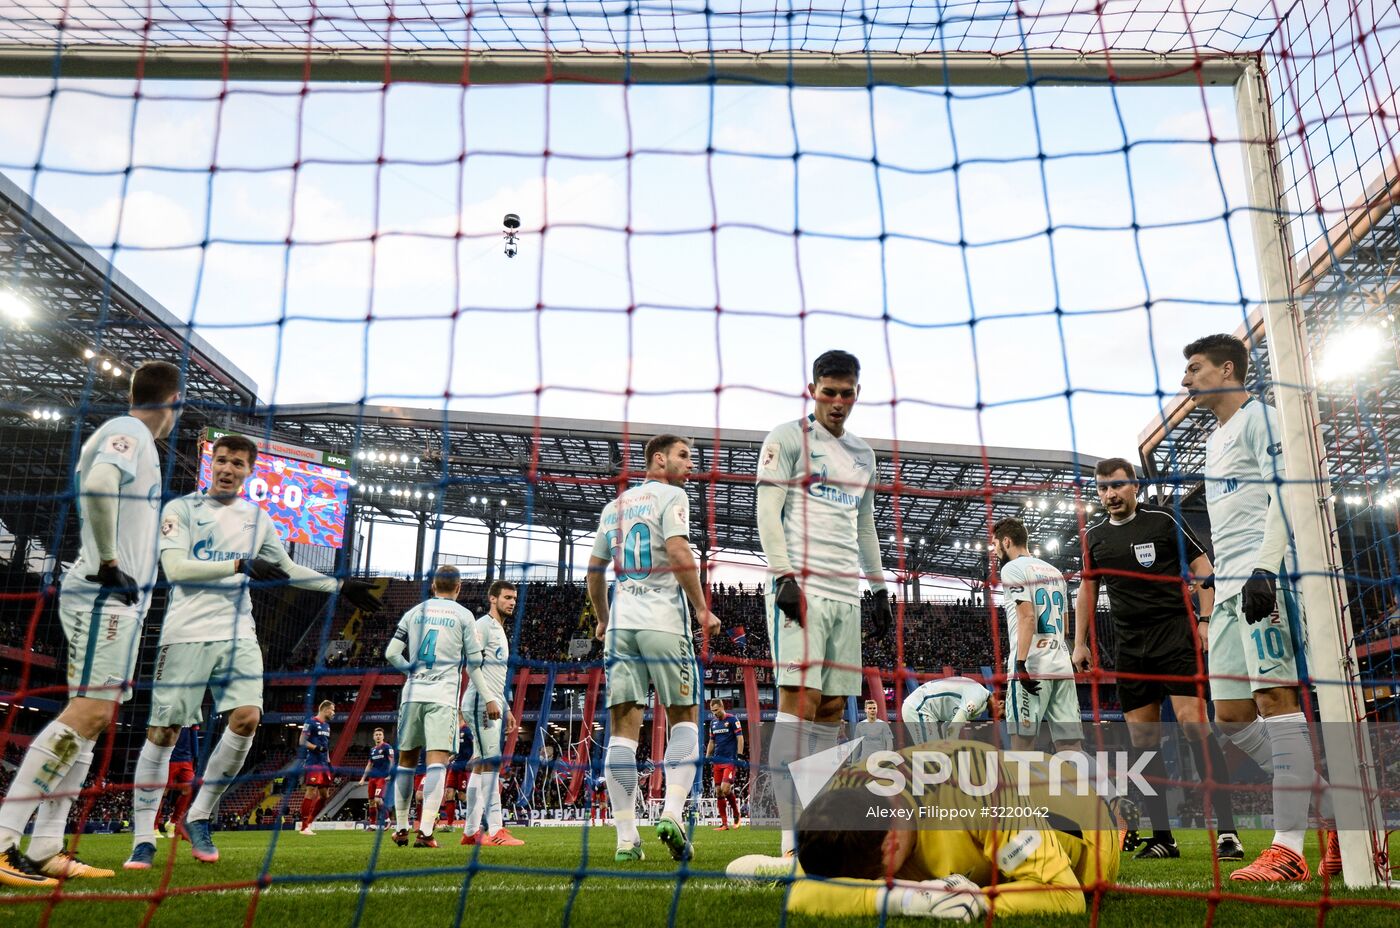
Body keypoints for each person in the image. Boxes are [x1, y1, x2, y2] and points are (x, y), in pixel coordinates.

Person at [123, 432, 382, 870]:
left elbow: (285, 567)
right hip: (185, 633)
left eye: (237, 463)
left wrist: (339, 585)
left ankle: (200, 814)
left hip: (238, 630)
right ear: (212, 464)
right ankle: (144, 837)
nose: (227, 468)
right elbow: (175, 568)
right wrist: (239, 564)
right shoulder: (181, 509)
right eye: (221, 460)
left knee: (247, 719)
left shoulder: (256, 517)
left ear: (249, 470)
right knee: (164, 732)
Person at [0, 362, 183, 885]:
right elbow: (100, 483)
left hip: (121, 603)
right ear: (172, 400)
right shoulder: (129, 431)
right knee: (85, 714)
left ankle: (45, 849)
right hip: (106, 597)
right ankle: (4, 839)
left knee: (96, 720)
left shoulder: (137, 441)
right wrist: (107, 561)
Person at [1181, 334, 1338, 881]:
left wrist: (1266, 567)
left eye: (1195, 369)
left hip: (1264, 580)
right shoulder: (1213, 442)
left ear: (1228, 369)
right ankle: (1332, 811)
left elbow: (1287, 492)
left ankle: (1289, 847)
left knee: (1276, 699)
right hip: (1226, 589)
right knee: (1231, 716)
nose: (1186, 380)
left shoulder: (1261, 418)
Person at [754, 349, 892, 857]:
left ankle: (811, 831)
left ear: (858, 392)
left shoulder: (863, 454)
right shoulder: (788, 437)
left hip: (845, 593)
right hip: (803, 586)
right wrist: (783, 574)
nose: (838, 401)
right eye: (829, 391)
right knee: (800, 700)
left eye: (847, 392)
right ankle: (790, 842)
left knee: (833, 708)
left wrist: (878, 588)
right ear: (812, 389)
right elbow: (767, 509)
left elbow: (864, 526)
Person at [732, 739, 1120, 918]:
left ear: (893, 843)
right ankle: (785, 865)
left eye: (884, 876)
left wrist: (979, 901)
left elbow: (1068, 898)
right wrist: (908, 899)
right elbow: (804, 896)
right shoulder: (850, 792)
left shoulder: (982, 796)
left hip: (1086, 828)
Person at [1075, 456, 1243, 862]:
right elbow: (1087, 590)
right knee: (1143, 743)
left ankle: (1227, 832)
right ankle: (1163, 838)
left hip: (1173, 636)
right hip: (1129, 647)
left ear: (1135, 486)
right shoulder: (1094, 537)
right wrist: (1079, 643)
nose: (1110, 495)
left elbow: (1204, 568)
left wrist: (1206, 618)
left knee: (1193, 725)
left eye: (1117, 486)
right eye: (1102, 488)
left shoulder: (1163, 520)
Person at [587, 434, 721, 863]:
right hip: (663, 624)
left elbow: (594, 570)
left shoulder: (614, 508)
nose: (690, 464)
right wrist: (702, 609)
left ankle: (626, 840)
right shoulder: (673, 495)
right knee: (685, 718)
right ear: (658, 459)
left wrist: (604, 618)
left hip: (621, 629)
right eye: (684, 455)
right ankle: (674, 814)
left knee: (623, 732)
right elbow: (679, 549)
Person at [385, 565, 496, 849]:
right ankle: (425, 832)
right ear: (458, 588)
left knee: (406, 763)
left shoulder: (414, 612)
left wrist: (411, 670)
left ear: (433, 586)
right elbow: (474, 664)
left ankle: (400, 828)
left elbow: (391, 653)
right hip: (442, 697)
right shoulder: (464, 616)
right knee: (437, 763)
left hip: (412, 695)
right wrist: (489, 697)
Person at [460, 580, 523, 847]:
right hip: (480, 702)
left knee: (481, 766)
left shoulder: (499, 629)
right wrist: (489, 700)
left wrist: (506, 707)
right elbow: (471, 667)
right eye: (507, 597)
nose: (512, 602)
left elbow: (496, 676)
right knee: (492, 762)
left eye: (514, 598)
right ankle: (496, 830)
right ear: (492, 599)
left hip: (491, 702)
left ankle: (470, 832)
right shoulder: (483, 626)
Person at [900, 673, 991, 743]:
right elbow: (953, 728)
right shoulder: (978, 696)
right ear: (1001, 703)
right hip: (919, 707)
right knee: (932, 756)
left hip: (923, 709)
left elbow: (947, 726)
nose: (1000, 718)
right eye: (1003, 715)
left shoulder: (980, 704)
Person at [705, 697, 744, 830]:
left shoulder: (733, 720)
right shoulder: (713, 723)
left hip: (730, 760)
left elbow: (740, 738)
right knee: (718, 792)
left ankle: (737, 814)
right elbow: (711, 741)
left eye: (716, 710)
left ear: (722, 707)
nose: (714, 713)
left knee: (725, 789)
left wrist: (739, 755)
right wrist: (707, 756)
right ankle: (724, 824)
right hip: (717, 761)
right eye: (712, 711)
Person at [155, 725, 200, 840]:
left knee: (189, 788)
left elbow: (194, 734)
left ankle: (173, 823)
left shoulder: (192, 711)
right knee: (163, 792)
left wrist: (195, 756)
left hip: (186, 759)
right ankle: (154, 826)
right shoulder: (170, 709)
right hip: (169, 758)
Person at [298, 700, 336, 835]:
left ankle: (309, 822)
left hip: (324, 764)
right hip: (313, 762)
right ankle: (304, 827)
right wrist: (315, 748)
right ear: (325, 709)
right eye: (332, 710)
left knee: (325, 795)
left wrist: (329, 763)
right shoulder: (311, 722)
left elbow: (325, 748)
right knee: (311, 791)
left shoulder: (327, 726)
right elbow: (302, 741)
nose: (334, 713)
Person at [359, 727, 395, 828]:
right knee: (371, 801)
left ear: (383, 736)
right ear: (373, 737)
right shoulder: (372, 750)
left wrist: (390, 774)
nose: (378, 736)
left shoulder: (387, 747)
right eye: (376, 735)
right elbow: (369, 765)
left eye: (380, 734)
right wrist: (363, 778)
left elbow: (392, 761)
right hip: (372, 778)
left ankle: (387, 819)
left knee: (378, 799)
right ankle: (372, 825)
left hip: (382, 777)